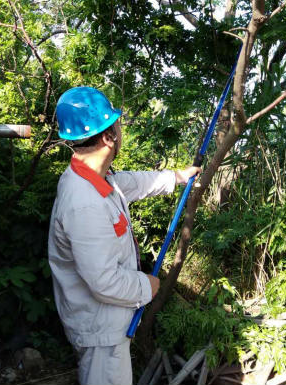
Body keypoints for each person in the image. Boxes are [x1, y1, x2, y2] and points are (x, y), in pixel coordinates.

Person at [48, 87, 200, 385]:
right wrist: (147, 285)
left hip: (106, 323)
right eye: (117, 124)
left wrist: (177, 176)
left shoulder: (94, 178)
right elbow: (104, 282)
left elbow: (130, 183)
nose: (120, 129)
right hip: (100, 333)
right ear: (108, 137)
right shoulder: (84, 204)